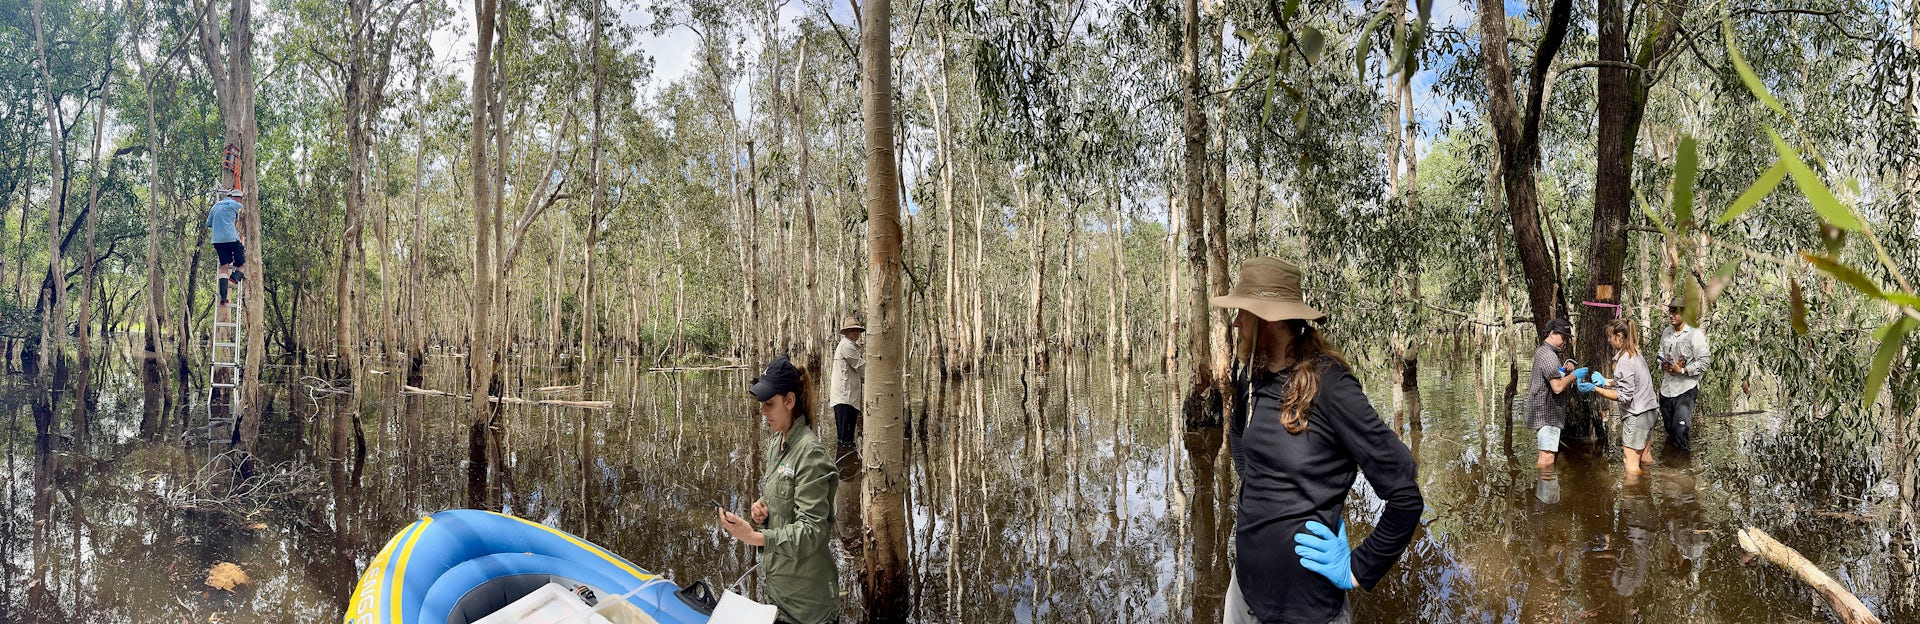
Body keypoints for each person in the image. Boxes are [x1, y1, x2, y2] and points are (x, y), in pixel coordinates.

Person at [1213, 257, 1423, 624]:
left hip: (1308, 611)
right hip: (1242, 597)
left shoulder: (1331, 386)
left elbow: (1405, 493)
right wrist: (1257, 493)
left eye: (1243, 312)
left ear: (1272, 319)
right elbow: (1237, 433)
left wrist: (1358, 566)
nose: (1236, 323)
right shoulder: (1251, 374)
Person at [719, 355, 839, 624]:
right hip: (778, 594)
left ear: (789, 401)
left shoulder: (811, 455)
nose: (763, 411)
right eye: (762, 404)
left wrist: (755, 537)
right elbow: (780, 494)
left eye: (769, 404)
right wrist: (761, 507)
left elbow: (812, 532)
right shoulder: (777, 444)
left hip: (807, 605)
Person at [1578, 318, 1659, 475]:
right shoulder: (1635, 355)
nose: (1608, 340)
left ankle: (1633, 496)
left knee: (1630, 465)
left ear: (1619, 336)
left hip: (1637, 415)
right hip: (1650, 411)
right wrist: (1606, 382)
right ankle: (1648, 489)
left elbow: (1624, 397)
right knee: (1645, 457)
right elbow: (1630, 382)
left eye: (1610, 336)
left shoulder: (1624, 361)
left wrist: (1595, 388)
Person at [1655, 297, 1710, 452]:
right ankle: (1671, 467)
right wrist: (1663, 364)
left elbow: (1705, 362)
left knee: (1680, 430)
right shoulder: (1667, 332)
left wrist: (1683, 370)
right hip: (1666, 389)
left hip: (1685, 389)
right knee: (1669, 431)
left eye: (1676, 312)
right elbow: (1660, 353)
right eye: (1670, 311)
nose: (1671, 315)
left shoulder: (1694, 334)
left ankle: (1685, 471)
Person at [1527, 318, 1582, 469]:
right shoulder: (1549, 356)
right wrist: (1574, 375)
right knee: (1547, 459)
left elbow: (1551, 377)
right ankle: (1545, 492)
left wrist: (1564, 371)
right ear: (1552, 334)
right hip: (1548, 414)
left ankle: (1544, 491)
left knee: (1545, 456)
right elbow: (1557, 387)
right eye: (1563, 337)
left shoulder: (1544, 352)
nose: (1565, 342)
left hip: (1544, 412)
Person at [828, 318, 865, 448]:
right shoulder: (847, 346)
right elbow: (861, 367)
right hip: (845, 399)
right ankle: (844, 464)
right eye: (852, 330)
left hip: (847, 398)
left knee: (846, 438)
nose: (855, 333)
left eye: (857, 330)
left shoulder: (849, 345)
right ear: (846, 332)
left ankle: (845, 464)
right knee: (845, 439)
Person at [207, 188, 247, 305]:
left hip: (217, 241)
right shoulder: (235, 204)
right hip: (231, 239)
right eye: (240, 199)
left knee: (223, 267)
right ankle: (234, 278)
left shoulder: (215, 206)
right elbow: (246, 212)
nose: (241, 202)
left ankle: (223, 299)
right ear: (236, 198)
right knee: (242, 265)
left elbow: (208, 223)